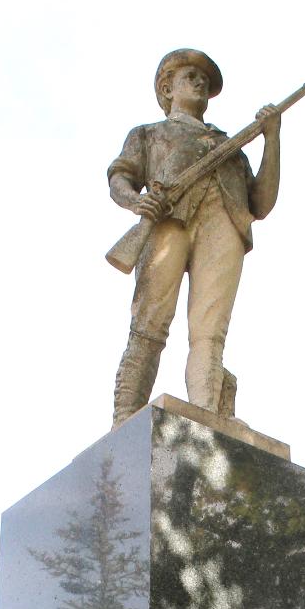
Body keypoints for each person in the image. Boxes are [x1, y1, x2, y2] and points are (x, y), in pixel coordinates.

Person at [109, 48, 282, 427]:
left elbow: (261, 202)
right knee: (150, 325)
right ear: (167, 87)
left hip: (224, 222)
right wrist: (138, 203)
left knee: (210, 330)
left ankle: (207, 415)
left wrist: (272, 138)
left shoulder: (230, 147)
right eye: (190, 75)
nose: (200, 82)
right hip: (168, 221)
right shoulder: (149, 134)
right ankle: (125, 418)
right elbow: (119, 177)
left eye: (204, 79)